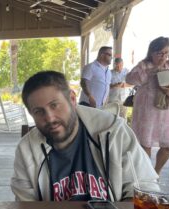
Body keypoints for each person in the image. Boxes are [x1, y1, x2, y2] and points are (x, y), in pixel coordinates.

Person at [11, 71, 157, 201]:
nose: (49, 118)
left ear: (72, 99)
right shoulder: (27, 150)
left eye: (54, 105)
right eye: (39, 111)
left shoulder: (114, 131)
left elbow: (146, 190)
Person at [126, 37, 169, 175]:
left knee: (167, 145)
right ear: (152, 53)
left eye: (166, 53)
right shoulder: (144, 65)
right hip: (147, 112)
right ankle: (147, 174)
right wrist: (148, 73)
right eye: (160, 53)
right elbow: (129, 79)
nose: (164, 56)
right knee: (145, 144)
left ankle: (156, 173)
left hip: (167, 114)